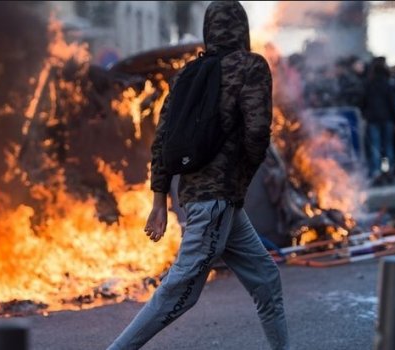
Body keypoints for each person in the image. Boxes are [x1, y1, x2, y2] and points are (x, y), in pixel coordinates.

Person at [107, 2, 289, 349]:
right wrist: (243, 176)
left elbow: (160, 143)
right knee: (180, 291)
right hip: (218, 201)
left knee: (266, 279)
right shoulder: (250, 67)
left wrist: (159, 202)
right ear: (242, 29)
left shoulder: (187, 75)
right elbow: (257, 133)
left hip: (204, 198)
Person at [362, 57, 395, 179]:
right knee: (387, 146)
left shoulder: (369, 84)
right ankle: (388, 169)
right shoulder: (388, 84)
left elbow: (363, 101)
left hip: (373, 119)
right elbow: (393, 103)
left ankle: (376, 171)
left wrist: (365, 115)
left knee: (375, 146)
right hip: (387, 118)